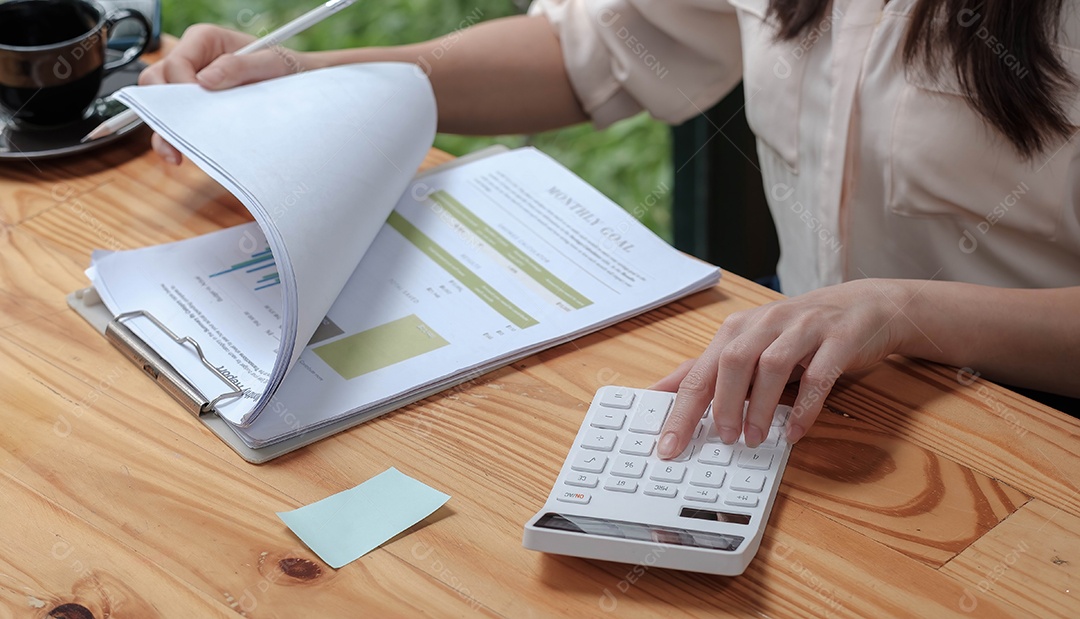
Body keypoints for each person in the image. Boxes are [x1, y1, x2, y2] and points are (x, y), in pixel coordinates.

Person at [140, 0, 1080, 460]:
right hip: (813, 421)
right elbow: (588, 51)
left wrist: (909, 313)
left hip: (1034, 451)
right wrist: (318, 79)